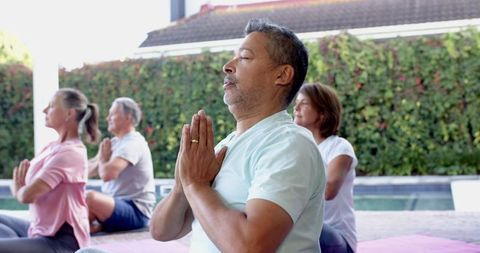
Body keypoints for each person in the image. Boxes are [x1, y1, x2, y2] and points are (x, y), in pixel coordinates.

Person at [150, 18, 326, 252]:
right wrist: (182, 186)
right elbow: (162, 231)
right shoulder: (225, 146)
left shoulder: (290, 144)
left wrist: (196, 185)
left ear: (282, 75)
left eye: (244, 57)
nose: (228, 66)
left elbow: (250, 246)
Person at [0, 88, 100, 252]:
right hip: (39, 231)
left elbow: (27, 195)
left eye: (52, 106)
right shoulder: (51, 147)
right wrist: (21, 188)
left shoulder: (70, 153)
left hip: (61, 241)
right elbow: (25, 187)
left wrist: (19, 189)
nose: (45, 110)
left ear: (69, 114)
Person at [293, 83, 358, 253]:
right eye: (297, 102)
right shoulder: (298, 149)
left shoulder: (340, 147)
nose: (296, 107)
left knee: (294, 230)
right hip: (308, 231)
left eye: (304, 103)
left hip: (337, 238)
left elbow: (328, 191)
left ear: (322, 114)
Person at [87, 97, 156, 234]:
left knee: (89, 198)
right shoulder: (116, 142)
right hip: (116, 206)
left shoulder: (133, 143)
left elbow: (107, 174)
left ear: (128, 117)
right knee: (73, 200)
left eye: (112, 114)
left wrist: (102, 160)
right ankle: (91, 227)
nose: (108, 118)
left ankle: (90, 228)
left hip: (136, 211)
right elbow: (89, 169)